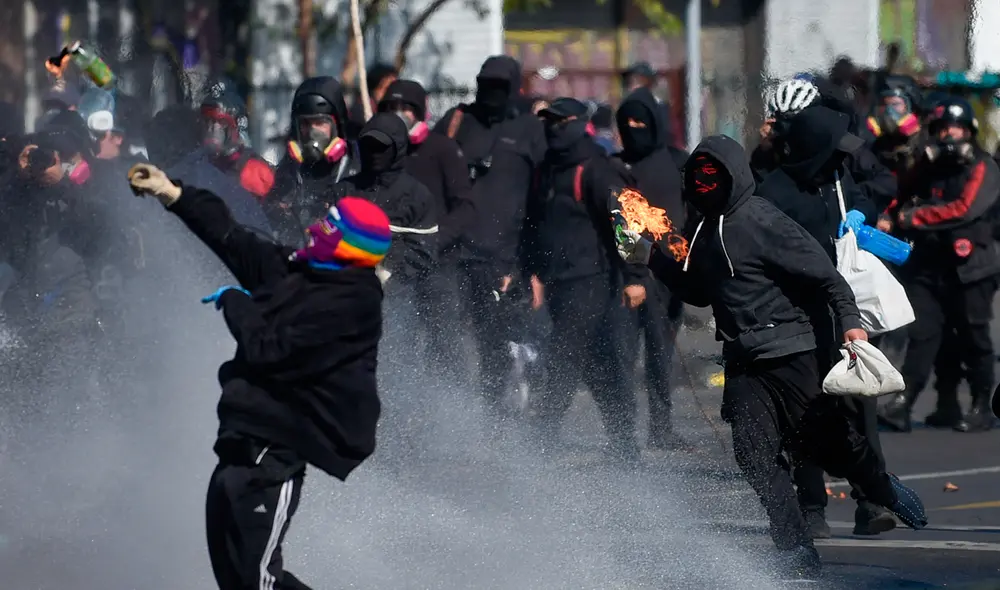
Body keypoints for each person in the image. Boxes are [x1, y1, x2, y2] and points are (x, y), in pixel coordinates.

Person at [614, 134, 926, 576]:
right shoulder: (703, 230)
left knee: (831, 448)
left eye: (712, 175)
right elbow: (702, 293)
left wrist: (852, 326)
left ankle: (881, 488)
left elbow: (828, 279)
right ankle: (795, 548)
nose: (703, 184)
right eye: (696, 177)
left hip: (795, 352)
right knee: (754, 456)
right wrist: (651, 258)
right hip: (745, 362)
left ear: (734, 174)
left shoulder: (763, 220)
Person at [127, 162, 390, 590]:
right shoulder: (302, 273)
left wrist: (235, 301)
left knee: (259, 583)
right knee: (238, 580)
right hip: (238, 447)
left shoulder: (352, 304)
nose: (314, 230)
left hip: (275, 455)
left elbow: (269, 348)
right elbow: (233, 239)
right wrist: (172, 193)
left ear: (348, 247)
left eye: (329, 227)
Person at [757, 105, 892, 538]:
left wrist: (861, 214)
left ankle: (872, 501)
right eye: (833, 152)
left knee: (860, 406)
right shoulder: (775, 195)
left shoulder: (833, 180)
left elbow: (869, 193)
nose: (841, 161)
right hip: (798, 321)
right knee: (808, 414)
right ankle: (812, 506)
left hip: (843, 314)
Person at [523, 97, 642, 461]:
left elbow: (628, 224)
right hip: (558, 282)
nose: (554, 128)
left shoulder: (597, 169)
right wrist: (530, 271)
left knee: (563, 358)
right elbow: (533, 225)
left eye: (561, 121)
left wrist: (634, 276)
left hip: (592, 280)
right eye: (549, 122)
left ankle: (540, 444)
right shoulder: (546, 169)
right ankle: (625, 446)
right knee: (600, 366)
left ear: (579, 123)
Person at [433, 55, 547, 417]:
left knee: (495, 340)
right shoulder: (457, 121)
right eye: (486, 86)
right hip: (452, 252)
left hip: (504, 258)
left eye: (501, 87)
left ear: (514, 89)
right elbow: (427, 169)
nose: (492, 94)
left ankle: (495, 418)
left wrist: (531, 264)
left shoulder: (530, 129)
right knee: (444, 336)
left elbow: (542, 199)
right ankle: (453, 415)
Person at [879, 97, 1000, 434]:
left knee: (973, 337)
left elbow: (965, 208)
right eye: (944, 129)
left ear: (969, 132)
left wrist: (912, 217)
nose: (950, 135)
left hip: (972, 266)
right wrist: (890, 215)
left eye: (957, 128)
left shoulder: (983, 167)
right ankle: (912, 402)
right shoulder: (928, 165)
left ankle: (981, 405)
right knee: (925, 333)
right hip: (930, 265)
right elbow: (902, 194)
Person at [377, 79, 474, 382]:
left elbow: (465, 208)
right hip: (393, 267)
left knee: (444, 343)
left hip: (438, 264)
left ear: (420, 112)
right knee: (395, 342)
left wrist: (432, 240)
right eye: (392, 108)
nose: (399, 113)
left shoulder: (442, 149)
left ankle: (456, 407)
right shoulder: (379, 151)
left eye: (406, 107)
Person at [612, 87, 688, 450]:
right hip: (628, 277)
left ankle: (661, 427)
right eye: (627, 123)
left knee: (661, 355)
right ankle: (622, 432)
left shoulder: (677, 162)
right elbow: (622, 226)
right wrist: (635, 274)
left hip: (670, 275)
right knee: (622, 355)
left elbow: (694, 213)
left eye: (640, 122)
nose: (633, 129)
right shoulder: (616, 167)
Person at [268, 76, 360, 245]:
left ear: (337, 124)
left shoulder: (358, 165)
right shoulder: (290, 169)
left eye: (320, 123)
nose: (312, 131)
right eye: (305, 124)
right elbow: (271, 219)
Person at [199, 78, 275, 200]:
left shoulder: (257, 172)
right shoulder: (197, 166)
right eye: (207, 121)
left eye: (220, 122)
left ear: (239, 124)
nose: (211, 129)